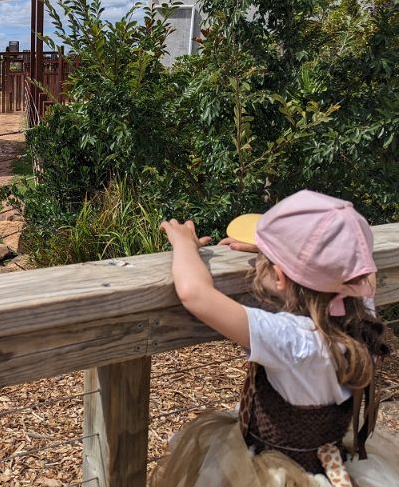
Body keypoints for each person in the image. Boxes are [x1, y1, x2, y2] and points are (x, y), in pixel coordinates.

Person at [154, 190, 398, 487]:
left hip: (272, 474)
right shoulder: (361, 313)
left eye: (263, 258)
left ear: (280, 278)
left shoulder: (294, 340)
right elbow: (354, 269)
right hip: (330, 466)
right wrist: (279, 254)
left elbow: (195, 294)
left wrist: (183, 245)